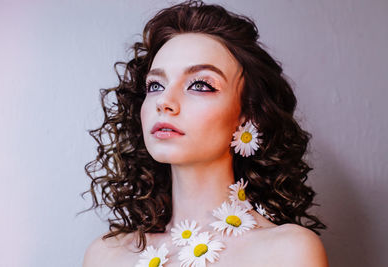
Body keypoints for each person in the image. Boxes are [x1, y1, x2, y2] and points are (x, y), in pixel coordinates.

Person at [82, 0, 328, 266]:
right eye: (155, 85)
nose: (165, 101)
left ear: (249, 114)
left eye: (200, 85)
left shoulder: (287, 252)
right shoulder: (106, 256)